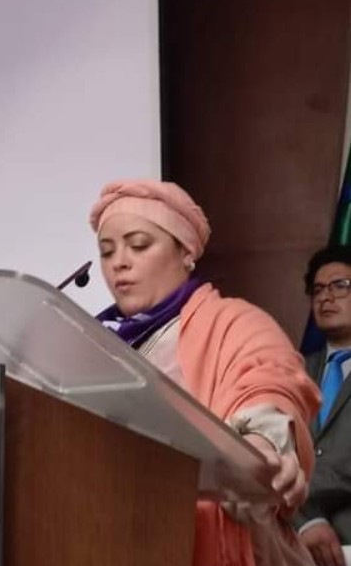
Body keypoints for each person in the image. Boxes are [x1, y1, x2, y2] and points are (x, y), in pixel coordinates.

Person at [89, 179, 321, 566]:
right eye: (106, 251)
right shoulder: (93, 342)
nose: (119, 262)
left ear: (186, 253)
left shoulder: (236, 321)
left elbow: (269, 382)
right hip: (117, 538)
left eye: (139, 245)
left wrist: (258, 449)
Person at [294, 245, 351, 566]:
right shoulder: (290, 371)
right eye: (317, 290)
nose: (325, 297)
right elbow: (268, 452)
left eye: (339, 286)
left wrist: (294, 498)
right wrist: (304, 520)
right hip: (287, 541)